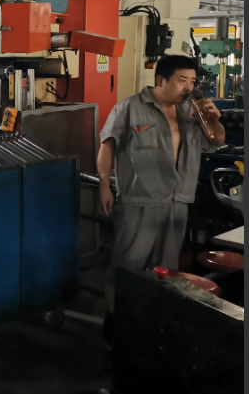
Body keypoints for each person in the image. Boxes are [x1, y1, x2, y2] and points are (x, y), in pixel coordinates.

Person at [97, 54, 224, 347]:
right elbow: (108, 146)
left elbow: (216, 141)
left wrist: (215, 120)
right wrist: (105, 185)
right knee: (127, 267)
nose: (188, 87)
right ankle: (114, 325)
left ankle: (152, 326)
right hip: (140, 200)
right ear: (160, 80)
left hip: (178, 201)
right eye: (182, 80)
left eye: (192, 81)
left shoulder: (192, 112)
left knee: (166, 269)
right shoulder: (130, 108)